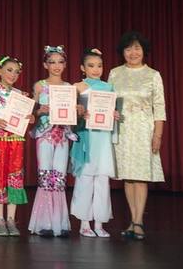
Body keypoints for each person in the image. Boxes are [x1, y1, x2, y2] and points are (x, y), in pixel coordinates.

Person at [108, 31, 166, 241]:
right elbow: (108, 101)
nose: (133, 53)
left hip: (143, 131)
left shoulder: (153, 75)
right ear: (122, 52)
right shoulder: (115, 73)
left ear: (144, 51)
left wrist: (157, 135)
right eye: (128, 48)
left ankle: (139, 221)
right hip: (122, 131)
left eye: (137, 48)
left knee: (140, 177)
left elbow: (159, 107)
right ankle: (132, 221)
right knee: (128, 177)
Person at [28, 45, 77, 237]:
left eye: (60, 62)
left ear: (65, 64)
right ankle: (44, 222)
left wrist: (78, 111)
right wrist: (40, 111)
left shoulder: (69, 88)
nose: (56, 66)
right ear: (45, 65)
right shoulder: (40, 86)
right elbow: (31, 112)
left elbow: (73, 114)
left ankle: (60, 223)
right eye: (52, 62)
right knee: (46, 175)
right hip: (45, 135)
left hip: (62, 135)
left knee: (59, 177)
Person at [70, 48, 119, 238]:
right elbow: (69, 114)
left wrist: (115, 115)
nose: (96, 69)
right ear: (83, 68)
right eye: (91, 66)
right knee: (85, 179)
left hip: (103, 138)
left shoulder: (109, 87)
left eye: (99, 65)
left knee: (102, 181)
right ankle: (84, 223)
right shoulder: (78, 87)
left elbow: (112, 112)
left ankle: (99, 223)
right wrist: (79, 113)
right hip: (87, 136)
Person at [0, 55, 34, 237]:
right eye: (9, 70)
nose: (13, 74)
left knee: (15, 178)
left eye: (16, 72)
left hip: (16, 141)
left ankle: (11, 219)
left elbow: (28, 118)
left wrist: (32, 118)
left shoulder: (22, 95)